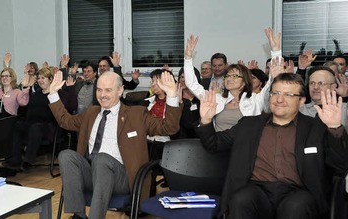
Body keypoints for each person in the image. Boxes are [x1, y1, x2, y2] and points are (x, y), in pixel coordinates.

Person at [195, 73, 348, 219]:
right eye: (275, 93)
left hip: (298, 191)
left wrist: (335, 127)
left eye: (288, 95)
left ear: (301, 100)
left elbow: (341, 165)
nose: (279, 99)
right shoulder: (249, 125)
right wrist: (207, 120)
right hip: (257, 189)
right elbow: (214, 144)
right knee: (240, 200)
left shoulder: (315, 128)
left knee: (296, 206)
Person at [49, 70, 181, 219]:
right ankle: (79, 215)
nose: (102, 95)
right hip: (92, 174)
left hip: (122, 178)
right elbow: (65, 121)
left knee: (102, 159)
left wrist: (171, 96)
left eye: (108, 90)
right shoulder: (91, 113)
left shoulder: (136, 114)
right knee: (66, 155)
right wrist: (53, 94)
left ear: (120, 91)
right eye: (99, 90)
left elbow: (169, 128)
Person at [183, 31, 278, 131]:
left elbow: (272, 84)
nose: (230, 78)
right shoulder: (217, 99)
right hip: (218, 144)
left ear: (244, 81)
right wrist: (188, 58)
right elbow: (192, 84)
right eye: (227, 75)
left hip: (245, 145)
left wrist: (276, 52)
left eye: (235, 76)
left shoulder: (256, 100)